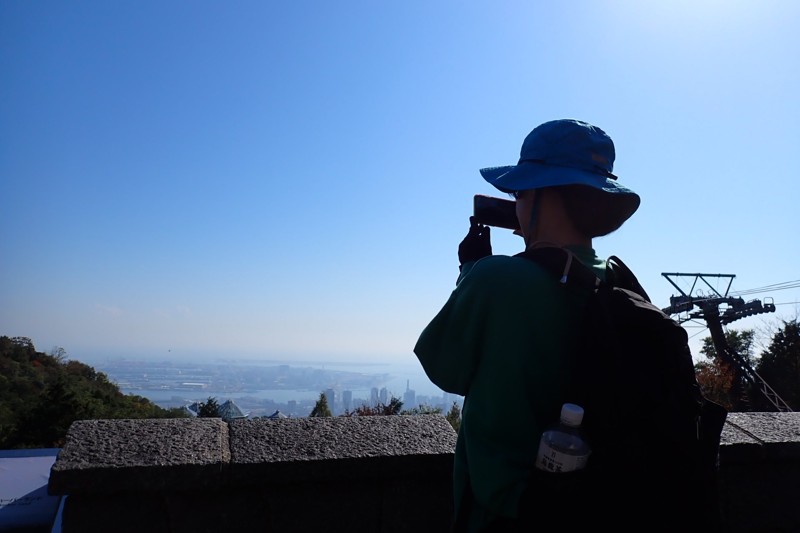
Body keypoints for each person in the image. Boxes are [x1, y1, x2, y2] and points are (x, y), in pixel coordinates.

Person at [413, 119, 641, 531]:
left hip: (507, 509)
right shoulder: (617, 280)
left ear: (538, 195)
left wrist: (471, 271)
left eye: (519, 192)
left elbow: (444, 367)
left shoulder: (496, 279)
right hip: (595, 504)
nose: (516, 204)